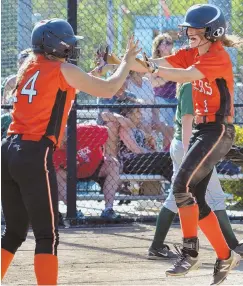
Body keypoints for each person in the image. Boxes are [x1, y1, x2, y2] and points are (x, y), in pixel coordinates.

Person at [1, 18, 140, 285]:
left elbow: (62, 87)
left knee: (14, 232)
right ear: (54, 44)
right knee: (47, 235)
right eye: (67, 43)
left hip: (8, 151)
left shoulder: (28, 67)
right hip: (33, 153)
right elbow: (110, 88)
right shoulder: (62, 69)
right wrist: (127, 63)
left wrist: (94, 73)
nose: (71, 48)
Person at [129, 4, 242, 284]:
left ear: (212, 32)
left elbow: (183, 76)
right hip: (204, 130)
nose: (189, 32)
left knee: (180, 186)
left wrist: (153, 67)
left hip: (218, 129)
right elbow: (163, 64)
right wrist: (123, 62)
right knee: (196, 198)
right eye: (189, 28)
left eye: (196, 29)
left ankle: (190, 252)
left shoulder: (217, 56)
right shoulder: (193, 52)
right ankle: (225, 255)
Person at [148, 82, 243, 260]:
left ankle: (156, 246)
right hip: (189, 147)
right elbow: (187, 122)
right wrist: (188, 155)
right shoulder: (190, 86)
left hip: (190, 147)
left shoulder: (196, 84)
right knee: (214, 195)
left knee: (177, 197)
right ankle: (234, 245)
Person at [54, 124, 121, 219]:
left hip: (95, 166)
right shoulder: (51, 148)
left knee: (114, 165)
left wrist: (109, 153)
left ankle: (108, 210)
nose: (58, 144)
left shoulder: (84, 130)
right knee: (58, 175)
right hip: (71, 172)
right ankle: (73, 211)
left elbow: (107, 130)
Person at [118, 107, 173, 183]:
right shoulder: (125, 128)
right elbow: (135, 149)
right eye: (137, 111)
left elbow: (150, 146)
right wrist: (152, 153)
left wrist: (152, 146)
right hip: (130, 162)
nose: (141, 114)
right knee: (167, 157)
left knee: (168, 167)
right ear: (129, 115)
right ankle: (178, 189)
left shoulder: (138, 130)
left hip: (142, 159)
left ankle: (177, 188)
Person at [149, 33, 177, 128]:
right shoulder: (153, 61)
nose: (166, 45)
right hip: (161, 98)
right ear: (158, 46)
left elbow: (181, 76)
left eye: (168, 43)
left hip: (177, 97)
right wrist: (170, 75)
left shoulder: (176, 59)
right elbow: (154, 82)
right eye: (162, 43)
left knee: (178, 126)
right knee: (168, 125)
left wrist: (163, 76)